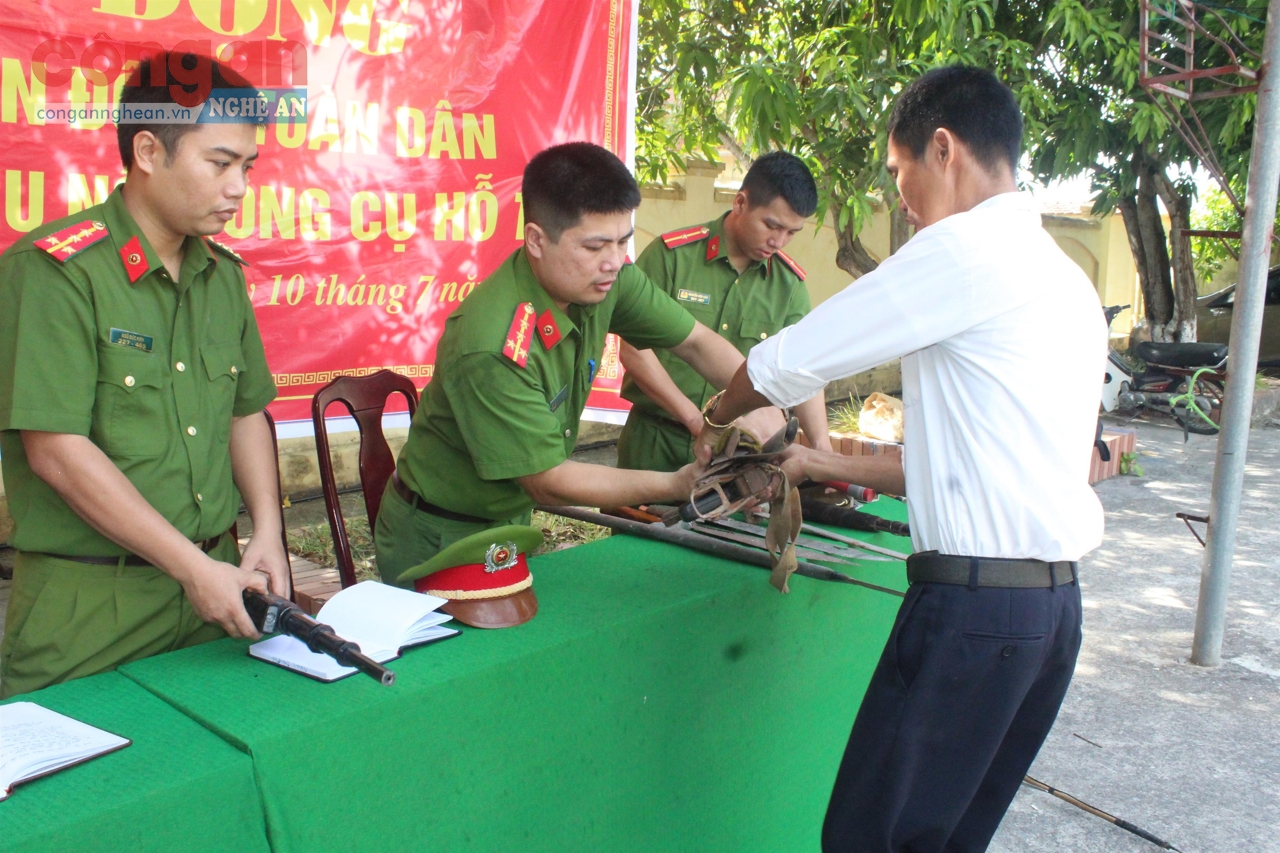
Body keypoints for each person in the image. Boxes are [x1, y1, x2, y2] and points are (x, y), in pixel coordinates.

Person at [694, 66, 1106, 852]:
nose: (901, 197)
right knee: (943, 840)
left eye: (898, 172)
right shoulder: (1064, 277)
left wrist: (714, 417)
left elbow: (787, 361)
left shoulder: (960, 250)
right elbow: (974, 466)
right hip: (1050, 617)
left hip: (973, 614)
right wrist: (815, 465)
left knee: (864, 838)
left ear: (942, 148)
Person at [0, 52, 287, 698]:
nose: (239, 187)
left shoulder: (223, 278)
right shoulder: (56, 272)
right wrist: (193, 568)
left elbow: (245, 411)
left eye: (247, 166)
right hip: (93, 614)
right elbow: (56, 452)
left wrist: (267, 528)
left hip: (213, 599)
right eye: (219, 163)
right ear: (150, 151)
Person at [374, 142, 753, 582]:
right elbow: (547, 481)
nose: (614, 262)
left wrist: (758, 405)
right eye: (594, 246)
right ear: (536, 240)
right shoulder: (493, 343)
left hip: (509, 525)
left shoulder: (607, 282)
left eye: (624, 241)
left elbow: (697, 343)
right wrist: (677, 484)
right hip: (440, 536)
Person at [616, 151, 833, 471]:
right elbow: (634, 351)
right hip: (655, 439)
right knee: (638, 521)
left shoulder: (789, 287)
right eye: (771, 225)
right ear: (740, 203)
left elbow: (800, 371)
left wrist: (822, 450)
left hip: (735, 453)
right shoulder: (673, 257)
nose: (779, 241)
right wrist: (696, 421)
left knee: (725, 523)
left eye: (791, 232)